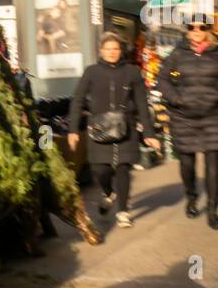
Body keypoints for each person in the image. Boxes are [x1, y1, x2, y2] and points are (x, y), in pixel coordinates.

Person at [155, 13, 218, 229]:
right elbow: (162, 79)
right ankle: (192, 196)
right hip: (183, 116)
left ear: (209, 30)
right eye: (192, 27)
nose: (197, 31)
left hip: (214, 115)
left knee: (213, 162)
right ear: (186, 30)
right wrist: (176, 99)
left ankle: (213, 211)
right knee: (187, 163)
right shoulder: (178, 52)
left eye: (202, 27)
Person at [67, 32, 161, 229]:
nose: (111, 52)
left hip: (126, 129)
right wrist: (73, 129)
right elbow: (77, 100)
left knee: (123, 169)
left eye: (115, 49)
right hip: (99, 128)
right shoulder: (91, 72)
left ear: (121, 51)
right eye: (107, 49)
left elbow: (142, 104)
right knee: (100, 169)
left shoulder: (132, 72)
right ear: (101, 51)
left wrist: (150, 134)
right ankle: (109, 192)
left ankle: (123, 211)